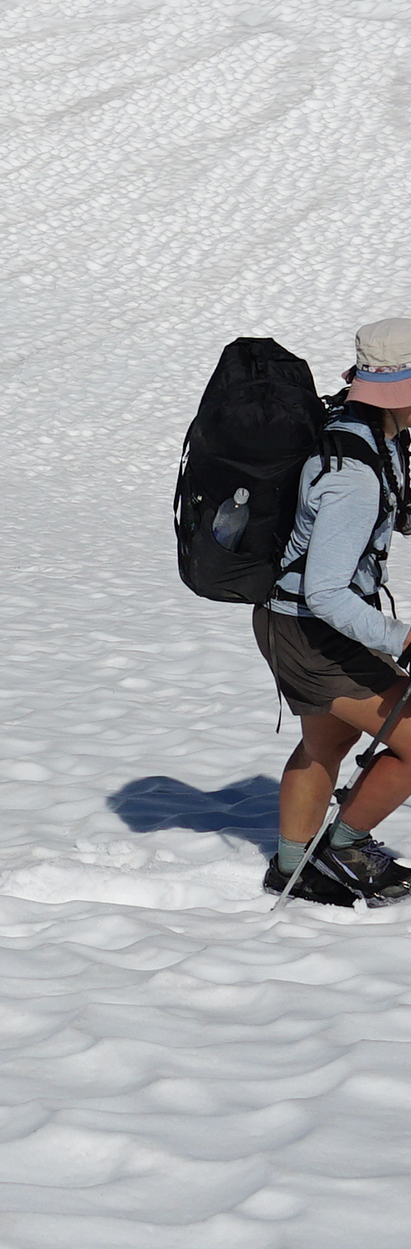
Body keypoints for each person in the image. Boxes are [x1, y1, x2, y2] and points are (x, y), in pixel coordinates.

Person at [259, 318, 411, 905]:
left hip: (302, 619)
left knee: (328, 741)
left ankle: (293, 866)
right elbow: (325, 591)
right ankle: (343, 847)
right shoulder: (354, 472)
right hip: (309, 626)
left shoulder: (374, 436)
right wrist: (403, 640)